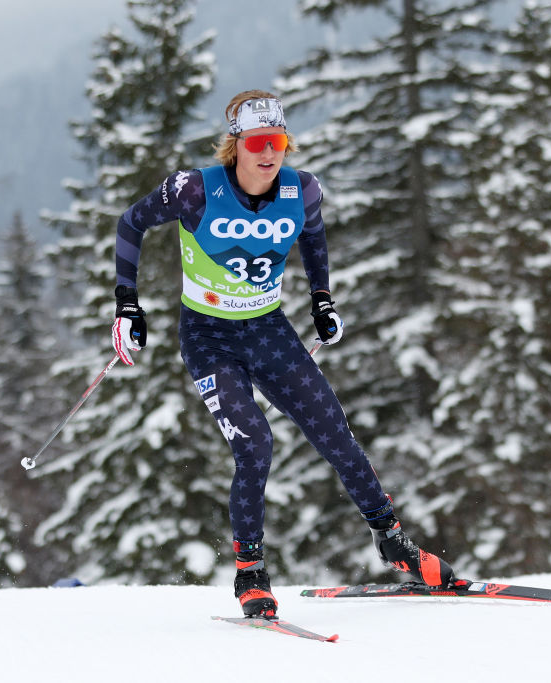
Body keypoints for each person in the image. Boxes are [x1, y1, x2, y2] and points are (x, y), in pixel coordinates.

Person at [111, 89, 456, 618]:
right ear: (236, 146)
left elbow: (313, 239)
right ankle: (250, 572)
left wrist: (322, 299)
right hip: (209, 336)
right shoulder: (193, 190)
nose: (270, 154)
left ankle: (394, 543)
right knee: (255, 444)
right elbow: (130, 223)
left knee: (333, 431)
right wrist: (127, 308)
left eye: (279, 142)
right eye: (258, 142)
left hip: (269, 330)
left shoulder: (303, 191)